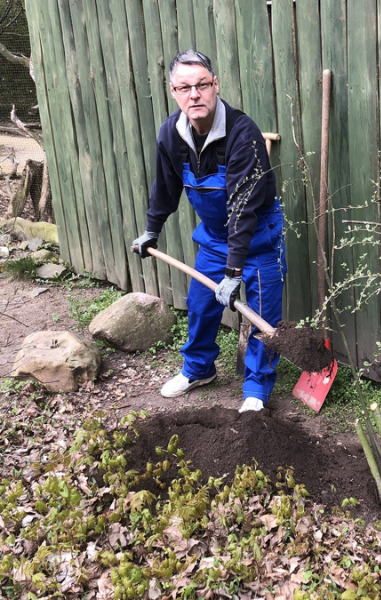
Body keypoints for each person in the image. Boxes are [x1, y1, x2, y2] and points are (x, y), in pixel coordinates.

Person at [132, 50, 286, 413]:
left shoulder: (241, 133)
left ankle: (256, 390)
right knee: (202, 306)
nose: (194, 94)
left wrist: (234, 272)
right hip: (216, 240)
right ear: (173, 91)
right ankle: (199, 370)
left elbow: (243, 208)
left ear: (215, 86)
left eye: (202, 85)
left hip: (260, 237)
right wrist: (151, 230)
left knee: (263, 317)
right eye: (185, 88)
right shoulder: (171, 134)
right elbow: (166, 188)